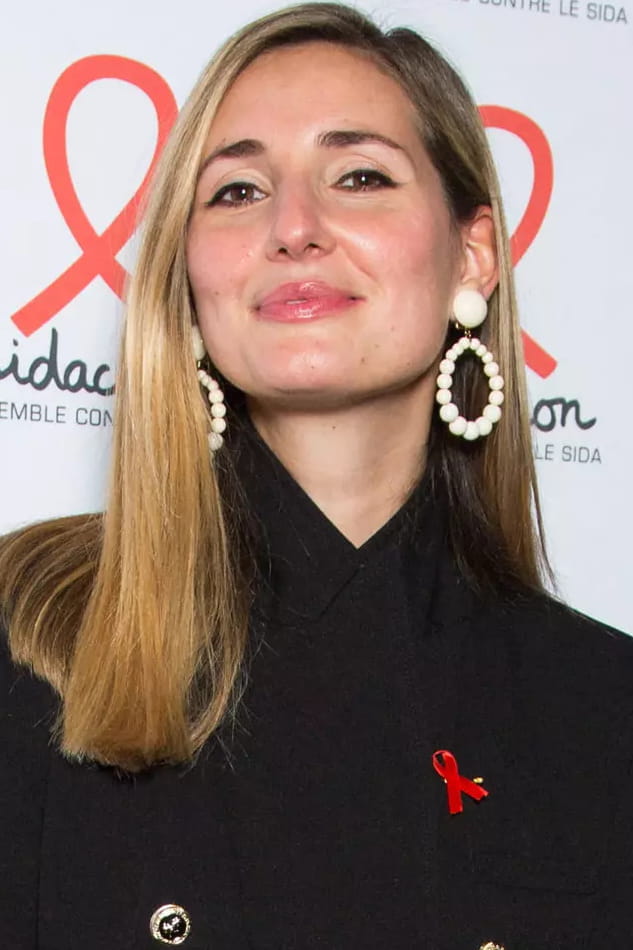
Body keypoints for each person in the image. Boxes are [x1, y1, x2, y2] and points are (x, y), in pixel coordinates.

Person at [1, 3, 632, 947]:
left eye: (360, 176)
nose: (294, 227)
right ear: (188, 277)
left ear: (471, 255)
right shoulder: (31, 638)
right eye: (237, 191)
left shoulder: (602, 709)